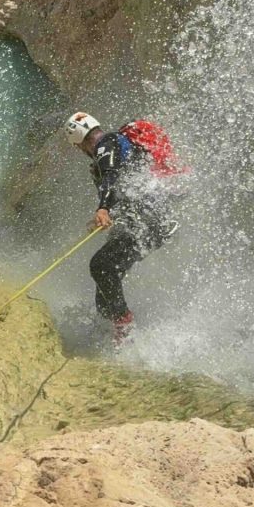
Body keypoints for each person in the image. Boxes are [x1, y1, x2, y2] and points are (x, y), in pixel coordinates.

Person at [65, 112, 184, 342]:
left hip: (152, 224)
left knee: (101, 266)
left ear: (80, 142)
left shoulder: (105, 145)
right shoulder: (120, 144)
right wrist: (108, 214)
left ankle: (125, 328)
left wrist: (103, 209)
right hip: (146, 221)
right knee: (104, 287)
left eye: (79, 148)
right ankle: (109, 335)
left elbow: (110, 177)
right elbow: (124, 188)